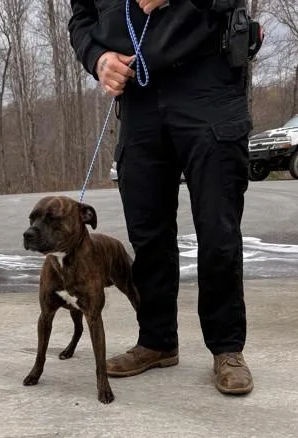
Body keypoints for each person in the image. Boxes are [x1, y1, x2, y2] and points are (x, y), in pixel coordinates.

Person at [68, 0, 255, 394]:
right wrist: (98, 58)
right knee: (147, 232)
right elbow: (82, 18)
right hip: (138, 95)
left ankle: (226, 348)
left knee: (218, 228)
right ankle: (157, 341)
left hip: (208, 82)